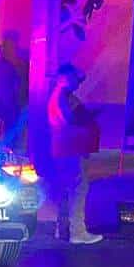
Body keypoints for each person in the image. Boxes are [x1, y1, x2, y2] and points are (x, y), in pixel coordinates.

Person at [46, 63, 103, 244]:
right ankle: (78, 232)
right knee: (79, 188)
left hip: (62, 148)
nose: (76, 83)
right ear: (64, 78)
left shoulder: (57, 95)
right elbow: (68, 120)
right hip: (68, 147)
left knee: (65, 189)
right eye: (73, 79)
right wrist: (86, 121)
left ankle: (62, 229)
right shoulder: (62, 96)